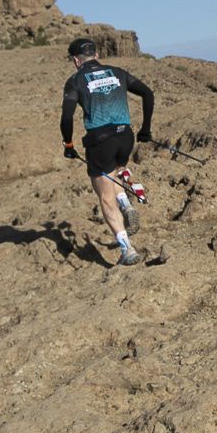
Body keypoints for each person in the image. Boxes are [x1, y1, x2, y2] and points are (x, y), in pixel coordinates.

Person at [59, 37, 154, 266]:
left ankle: (127, 250)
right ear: (97, 55)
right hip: (125, 137)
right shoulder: (118, 72)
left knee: (104, 196)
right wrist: (145, 130)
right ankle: (128, 205)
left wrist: (69, 144)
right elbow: (148, 94)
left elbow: (66, 117)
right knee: (116, 168)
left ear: (75, 60)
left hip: (100, 141)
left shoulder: (75, 81)